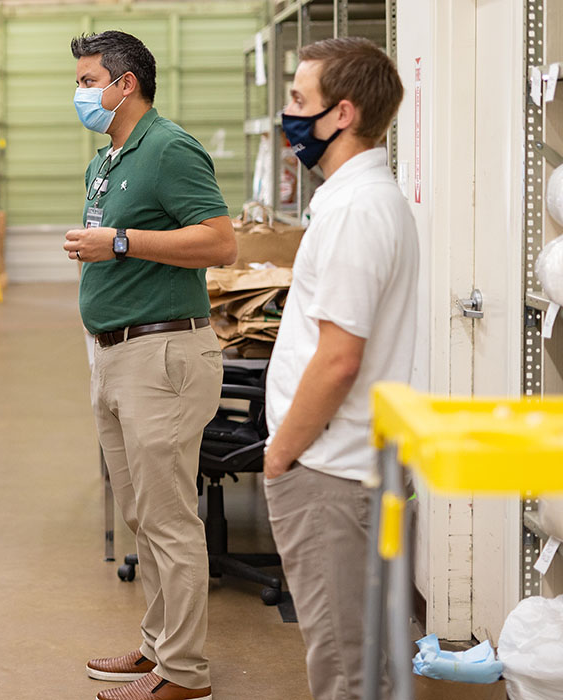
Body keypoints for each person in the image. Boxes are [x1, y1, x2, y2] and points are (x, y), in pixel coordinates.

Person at [63, 31, 236, 700]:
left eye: (87, 80)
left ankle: (185, 674)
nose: (80, 93)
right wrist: (101, 249)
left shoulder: (168, 147)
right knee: (141, 517)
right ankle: (158, 646)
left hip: (161, 356)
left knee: (169, 521)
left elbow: (219, 241)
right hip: (112, 355)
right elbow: (114, 245)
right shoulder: (106, 159)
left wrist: (124, 242)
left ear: (125, 83)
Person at [263, 37, 414, 700]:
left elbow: (339, 359)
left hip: (329, 468)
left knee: (346, 666)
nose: (287, 113)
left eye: (300, 100)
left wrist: (280, 454)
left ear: (343, 113)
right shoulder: (356, 201)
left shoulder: (356, 210)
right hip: (342, 461)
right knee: (357, 651)